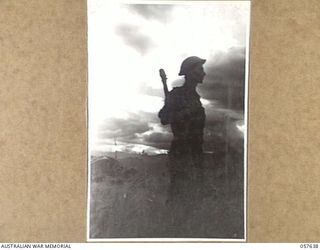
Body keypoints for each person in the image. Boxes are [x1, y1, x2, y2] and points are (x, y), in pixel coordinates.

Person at [159, 56, 206, 164]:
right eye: (200, 69)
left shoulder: (195, 98)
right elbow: (164, 118)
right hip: (181, 155)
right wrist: (186, 112)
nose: (204, 73)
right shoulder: (177, 94)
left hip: (196, 155)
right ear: (190, 72)